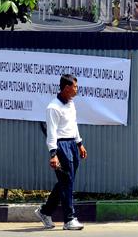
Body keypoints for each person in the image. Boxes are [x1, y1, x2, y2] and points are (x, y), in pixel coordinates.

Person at [35, 74, 87, 230]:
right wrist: (53, 155)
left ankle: (45, 211)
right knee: (67, 182)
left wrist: (80, 144)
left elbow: (73, 125)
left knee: (66, 181)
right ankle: (69, 219)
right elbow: (51, 133)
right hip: (61, 146)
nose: (77, 90)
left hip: (72, 144)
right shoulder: (53, 108)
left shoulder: (70, 104)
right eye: (75, 87)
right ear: (66, 88)